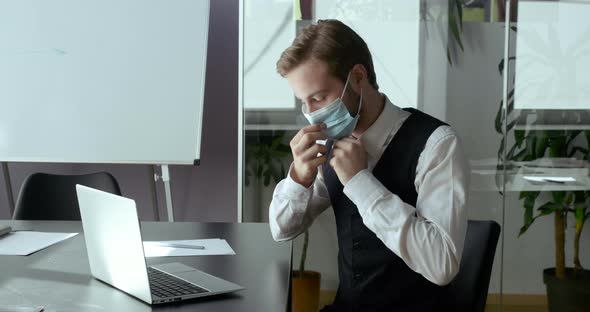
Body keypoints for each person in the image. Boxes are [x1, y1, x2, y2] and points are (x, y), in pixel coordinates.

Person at [269, 19, 469, 311]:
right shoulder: (328, 145)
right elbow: (282, 230)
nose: (312, 115)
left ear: (358, 77)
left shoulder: (437, 144)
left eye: (319, 97)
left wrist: (360, 182)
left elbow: (442, 265)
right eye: (304, 102)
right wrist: (298, 177)